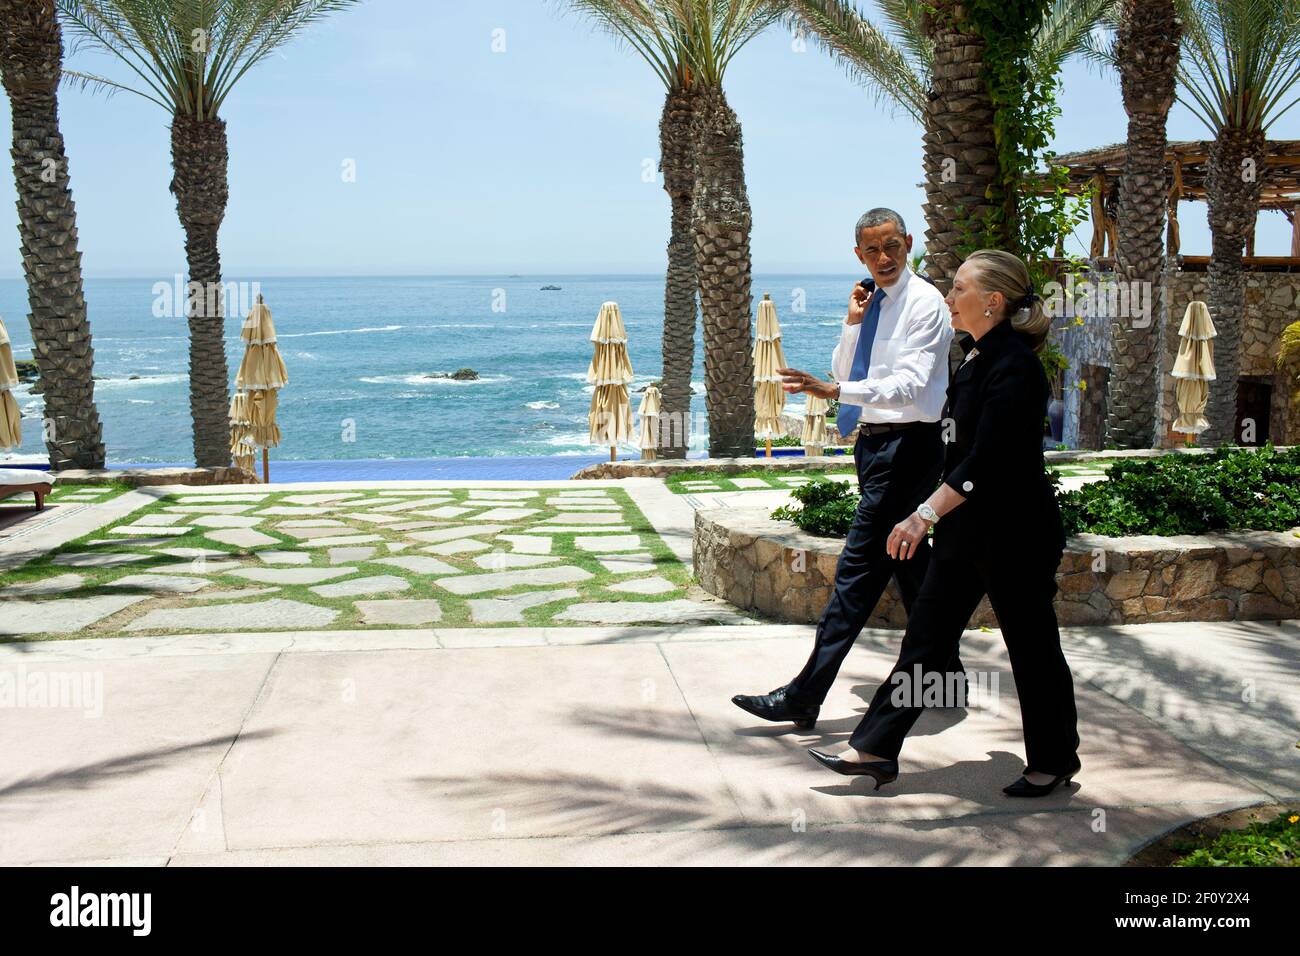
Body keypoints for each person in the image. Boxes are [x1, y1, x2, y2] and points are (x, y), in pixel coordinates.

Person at [807, 249, 1082, 798]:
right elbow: (955, 452)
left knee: (1032, 648)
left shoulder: (1015, 365)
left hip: (1015, 536)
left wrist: (923, 514)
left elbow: (990, 460)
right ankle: (876, 749)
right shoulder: (976, 356)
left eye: (959, 289)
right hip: (964, 534)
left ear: (993, 301)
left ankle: (1053, 760)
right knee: (924, 642)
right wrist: (932, 510)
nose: (950, 298)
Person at [731, 208, 964, 731]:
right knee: (910, 563)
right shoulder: (873, 303)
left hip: (910, 447)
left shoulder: (925, 304)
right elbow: (845, 368)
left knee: (856, 577)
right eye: (871, 250)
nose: (883, 259)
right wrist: (853, 323)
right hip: (875, 446)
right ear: (859, 255)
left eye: (892, 247)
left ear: (908, 244)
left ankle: (804, 696)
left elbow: (907, 385)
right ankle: (946, 672)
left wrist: (832, 391)